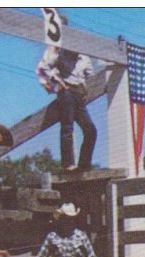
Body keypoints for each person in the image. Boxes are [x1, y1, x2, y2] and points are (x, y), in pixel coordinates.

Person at [36, 37, 97, 173]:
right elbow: (43, 67)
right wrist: (58, 80)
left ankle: (84, 164)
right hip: (67, 91)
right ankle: (68, 164)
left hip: (79, 94)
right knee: (67, 128)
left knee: (91, 130)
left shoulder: (85, 58)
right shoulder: (60, 54)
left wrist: (84, 87)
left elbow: (90, 74)